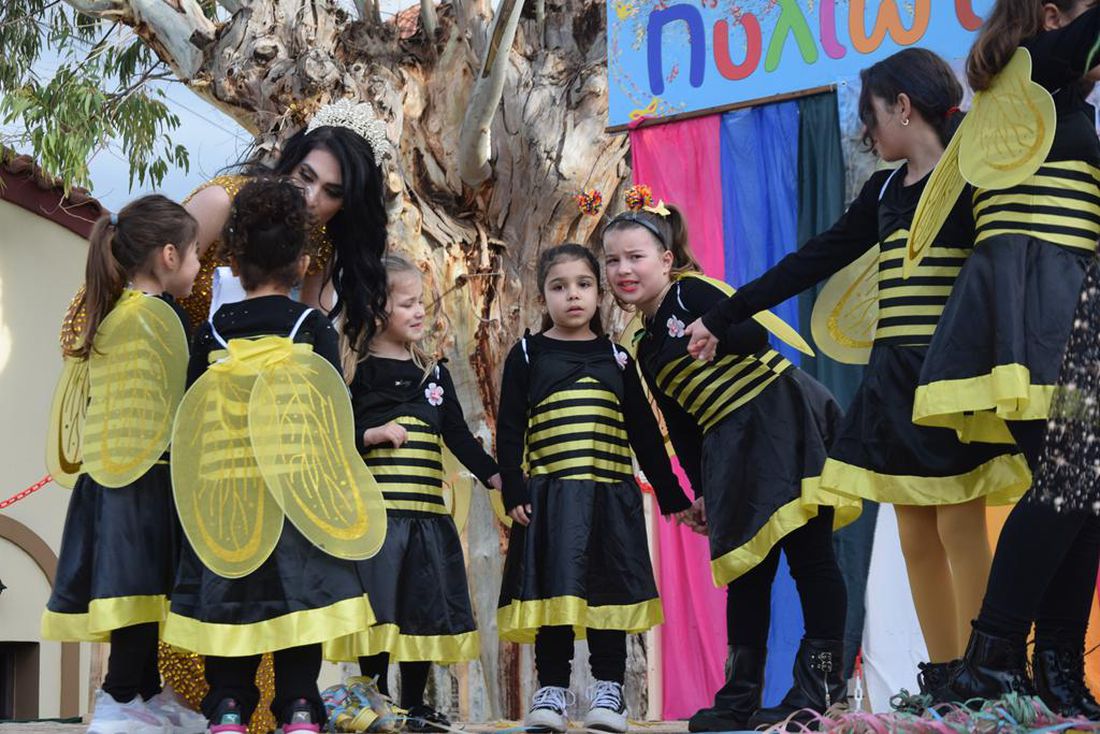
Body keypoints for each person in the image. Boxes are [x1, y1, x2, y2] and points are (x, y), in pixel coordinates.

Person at [680, 49, 1030, 700]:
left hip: (951, 375)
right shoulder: (883, 193)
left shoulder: (972, 174)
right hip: (894, 380)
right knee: (914, 531)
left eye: (870, 116)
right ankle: (946, 678)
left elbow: (1005, 270)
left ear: (903, 107)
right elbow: (813, 259)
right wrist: (726, 314)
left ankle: (990, 676)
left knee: (958, 524)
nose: (866, 133)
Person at [900, 0, 1100, 717]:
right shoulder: (1034, 68)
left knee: (1081, 490)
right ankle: (993, 657)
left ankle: (1054, 667)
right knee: (1074, 482)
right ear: (1051, 16)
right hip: (1033, 306)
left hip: (1066, 302)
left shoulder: (1044, 97)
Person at [603, 195, 860, 730]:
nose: (623, 269)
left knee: (810, 558)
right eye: (612, 260)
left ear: (666, 260)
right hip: (731, 450)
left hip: (780, 422)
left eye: (636, 256)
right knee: (747, 572)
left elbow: (755, 333)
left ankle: (820, 690)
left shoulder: (693, 292)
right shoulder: (644, 346)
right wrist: (699, 491)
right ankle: (740, 695)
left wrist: (717, 328)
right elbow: (680, 424)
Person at [163, 178, 382, 733]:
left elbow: (192, 416)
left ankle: (228, 708)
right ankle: (300, 708)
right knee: (299, 605)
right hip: (292, 497)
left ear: (234, 263)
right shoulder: (312, 327)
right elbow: (331, 411)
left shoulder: (211, 331)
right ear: (303, 263)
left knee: (229, 601)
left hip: (230, 497)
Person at [495, 244, 696, 733]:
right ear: (543, 296)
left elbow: (645, 433)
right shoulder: (527, 353)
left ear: (598, 292)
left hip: (609, 497)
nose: (573, 295)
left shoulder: (617, 357)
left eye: (583, 284)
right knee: (555, 595)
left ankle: (609, 692)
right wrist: (514, 489)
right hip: (552, 499)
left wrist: (673, 495)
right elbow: (510, 427)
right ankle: (551, 691)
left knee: (609, 593)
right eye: (559, 287)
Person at [42, 195, 207, 734]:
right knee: (137, 591)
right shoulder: (161, 316)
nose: (199, 265)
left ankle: (141, 690)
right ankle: (117, 697)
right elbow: (189, 394)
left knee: (140, 591)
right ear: (168, 255)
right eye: (195, 254)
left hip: (112, 476)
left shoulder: (115, 314)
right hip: (143, 477)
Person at [324, 254, 502, 731]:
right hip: (378, 522)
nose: (421, 311)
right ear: (375, 308)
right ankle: (374, 694)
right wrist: (371, 435)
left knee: (421, 604)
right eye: (408, 304)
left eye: (422, 302)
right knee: (380, 607)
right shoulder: (354, 371)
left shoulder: (433, 373)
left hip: (425, 517)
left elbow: (458, 435)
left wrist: (495, 476)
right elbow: (331, 436)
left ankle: (414, 701)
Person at [179, 100, 390, 363]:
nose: (310, 198)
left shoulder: (322, 240)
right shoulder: (222, 202)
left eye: (332, 192)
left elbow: (312, 330)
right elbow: (152, 277)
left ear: (347, 204)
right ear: (290, 163)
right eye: (306, 176)